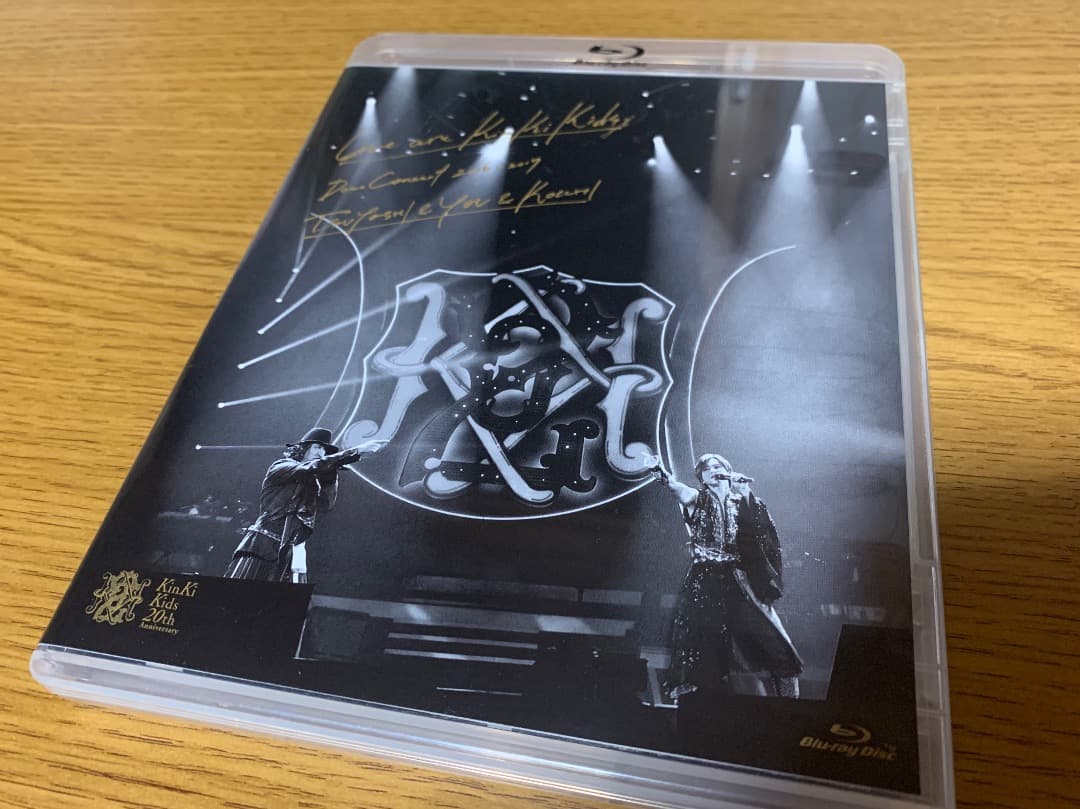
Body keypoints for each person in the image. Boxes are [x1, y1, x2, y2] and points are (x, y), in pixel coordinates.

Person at [656, 453, 803, 701]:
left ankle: (791, 706)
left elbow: (764, 537)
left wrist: (745, 493)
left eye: (718, 466)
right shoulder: (696, 498)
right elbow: (674, 487)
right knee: (700, 647)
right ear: (701, 477)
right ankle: (693, 706)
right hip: (706, 579)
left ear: (727, 470)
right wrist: (659, 472)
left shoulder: (747, 502)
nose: (713, 470)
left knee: (776, 643)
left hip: (740, 578)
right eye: (707, 468)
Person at [224, 428, 385, 583]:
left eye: (324, 450)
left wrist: (331, 475)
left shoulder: (313, 482)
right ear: (303, 448)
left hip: (292, 551)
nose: (321, 453)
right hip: (262, 546)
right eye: (317, 447)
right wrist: (355, 452)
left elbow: (325, 504)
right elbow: (311, 467)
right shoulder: (281, 466)